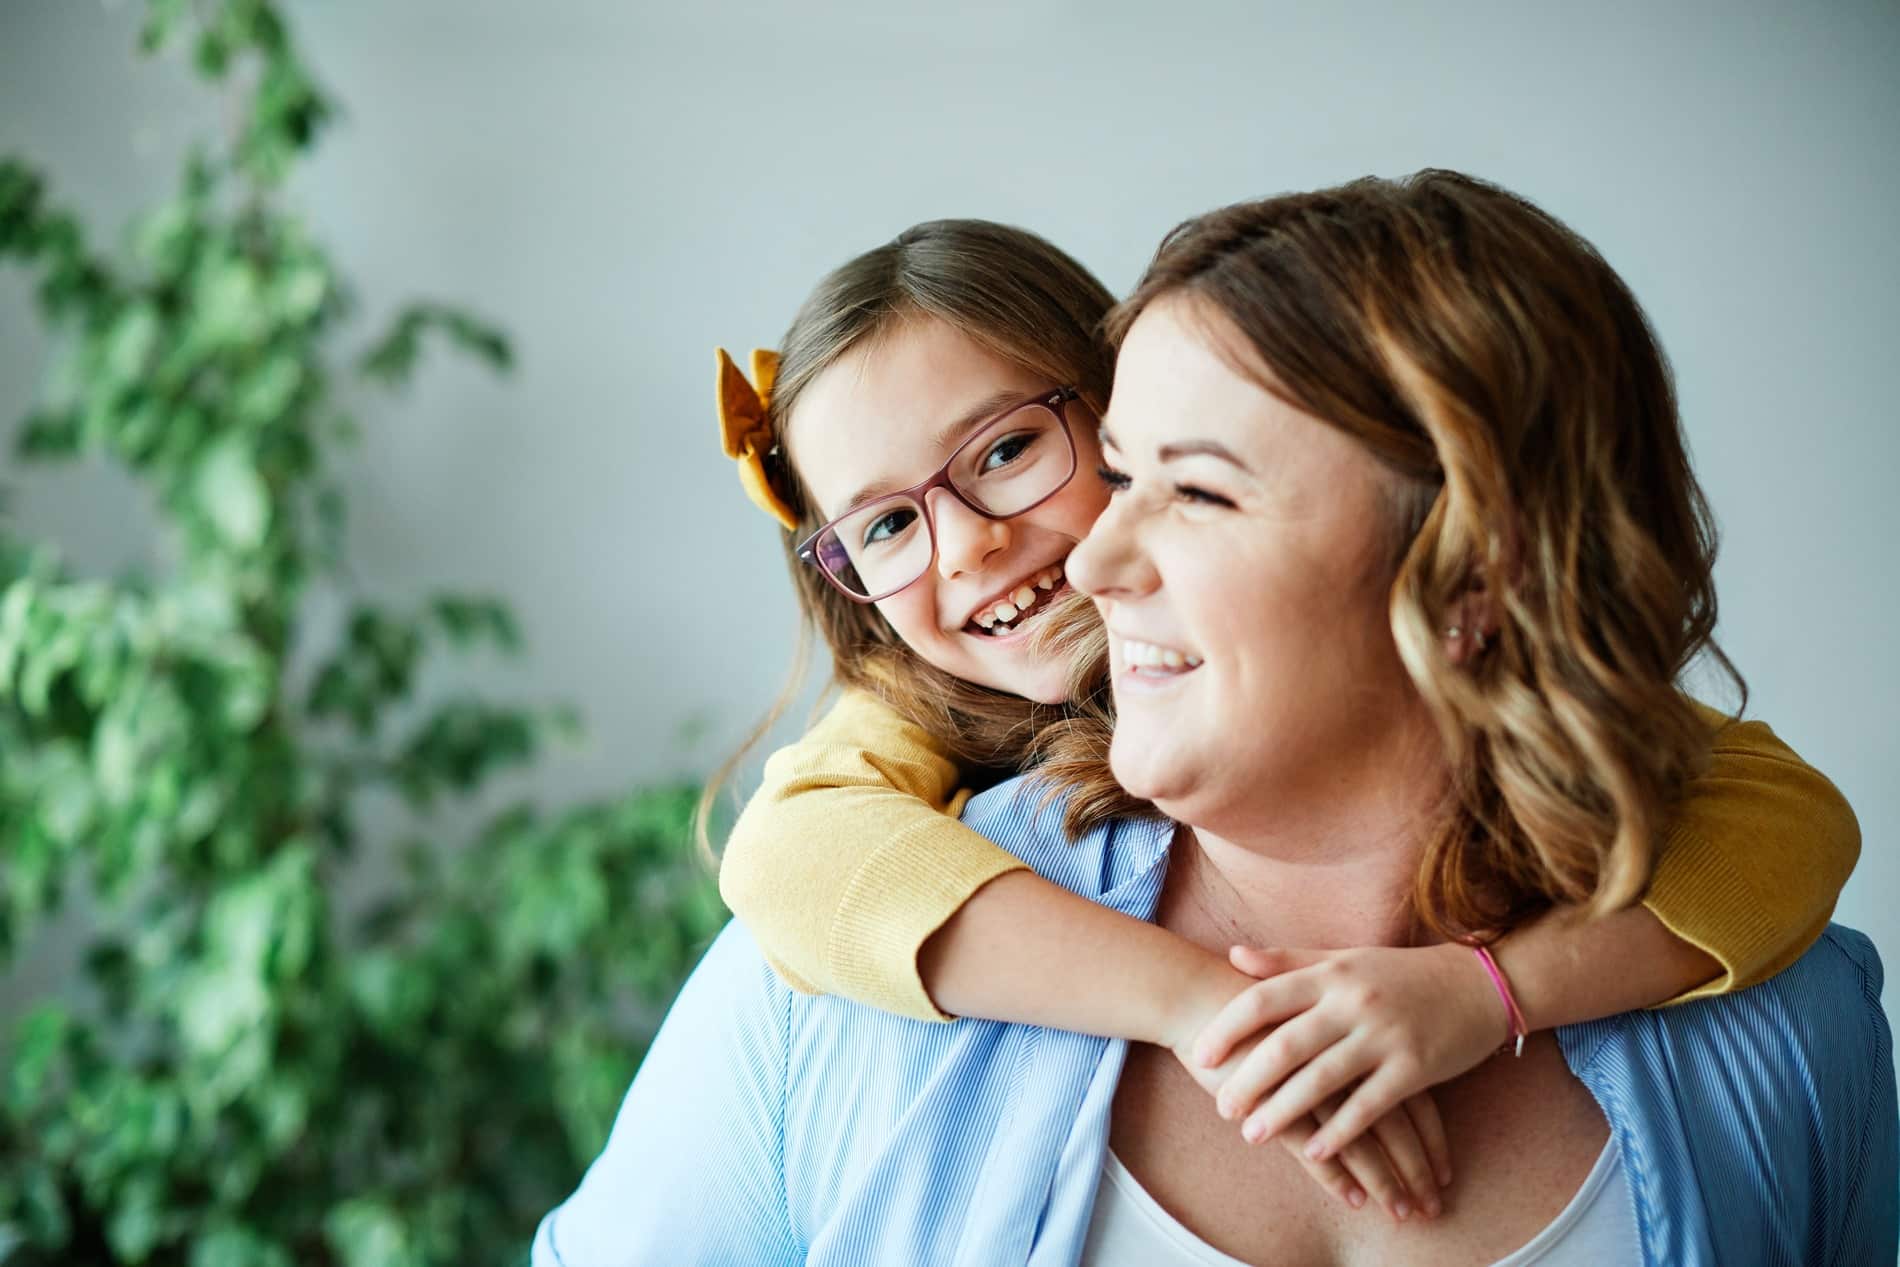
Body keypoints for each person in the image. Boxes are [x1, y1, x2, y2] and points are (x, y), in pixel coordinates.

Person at [534, 175, 1893, 1265]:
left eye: (1178, 485)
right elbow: (790, 860)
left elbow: (1795, 817)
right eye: (884, 526)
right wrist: (1204, 1009)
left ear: (1480, 576)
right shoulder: (847, 959)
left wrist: (1494, 990)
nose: (1056, 559)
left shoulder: (1792, 1031)